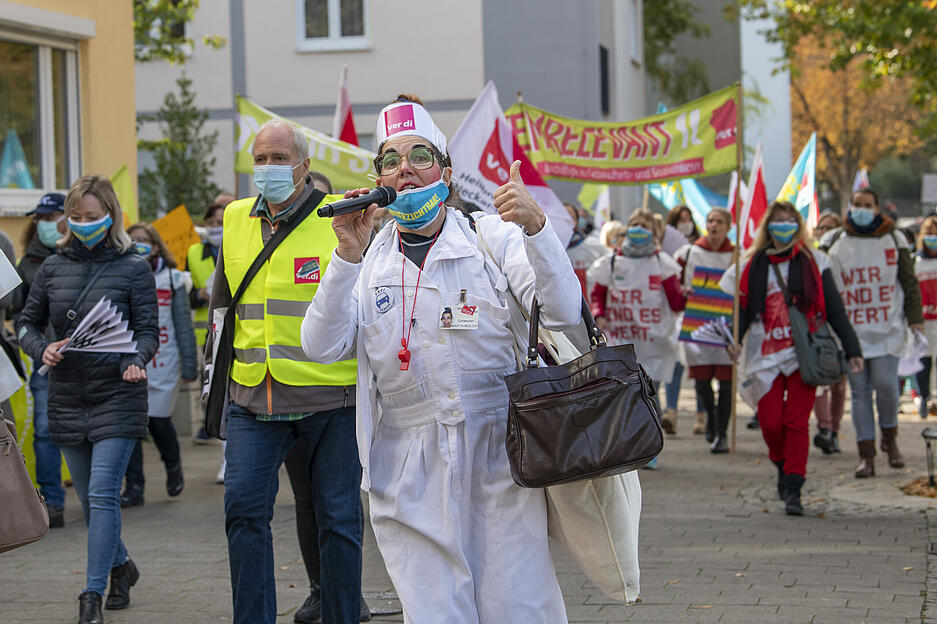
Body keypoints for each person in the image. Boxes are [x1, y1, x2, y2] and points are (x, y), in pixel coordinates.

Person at [301, 94, 581, 622]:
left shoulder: (491, 239)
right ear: (379, 178)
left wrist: (539, 231)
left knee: (517, 607)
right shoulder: (365, 259)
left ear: (447, 175)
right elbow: (319, 345)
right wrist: (344, 257)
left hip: (500, 450)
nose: (404, 168)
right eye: (390, 160)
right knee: (435, 613)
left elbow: (565, 311)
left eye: (420, 155)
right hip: (408, 465)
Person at [206, 119, 362, 624]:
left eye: (279, 158)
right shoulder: (233, 218)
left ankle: (341, 614)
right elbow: (223, 304)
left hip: (331, 399)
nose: (268, 169)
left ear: (304, 166)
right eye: (260, 159)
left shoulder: (335, 219)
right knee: (244, 514)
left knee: (338, 521)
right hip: (254, 396)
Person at [15, 175, 158, 623]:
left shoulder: (134, 266)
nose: (82, 224)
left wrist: (137, 358)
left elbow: (148, 331)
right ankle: (122, 567)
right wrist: (42, 349)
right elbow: (26, 324)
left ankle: (91, 595)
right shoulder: (52, 267)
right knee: (94, 502)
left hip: (117, 393)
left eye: (91, 218)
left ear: (111, 216)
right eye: (74, 217)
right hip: (67, 394)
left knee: (101, 495)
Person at [724, 201, 862, 515]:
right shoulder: (752, 264)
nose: (783, 226)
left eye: (789, 220)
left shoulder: (816, 261)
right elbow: (743, 311)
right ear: (767, 227)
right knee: (772, 423)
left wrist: (853, 349)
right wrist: (735, 340)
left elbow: (835, 310)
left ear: (798, 226)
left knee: (796, 422)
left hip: (804, 353)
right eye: (777, 220)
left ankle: (794, 486)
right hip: (764, 353)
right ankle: (783, 465)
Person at [285, 171, 371, 624]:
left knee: (337, 506)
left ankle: (346, 598)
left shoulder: (357, 238)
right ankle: (320, 589)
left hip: (339, 397)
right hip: (286, 392)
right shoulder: (270, 235)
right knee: (305, 500)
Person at [821, 187, 923, 477]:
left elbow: (909, 281)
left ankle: (889, 440)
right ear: (849, 208)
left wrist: (914, 319)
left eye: (867, 204)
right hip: (851, 332)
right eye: (857, 204)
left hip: (887, 328)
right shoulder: (835, 241)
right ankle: (866, 454)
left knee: (887, 387)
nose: (861, 209)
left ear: (878, 209)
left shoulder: (894, 238)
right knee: (860, 393)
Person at [119, 224, 198, 507]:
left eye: (144, 241)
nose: (139, 245)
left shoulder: (173, 278)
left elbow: (183, 326)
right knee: (133, 425)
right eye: (133, 240)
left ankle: (173, 465)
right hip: (131, 361)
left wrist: (190, 366)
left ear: (155, 245)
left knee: (159, 422)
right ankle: (135, 486)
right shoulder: (120, 275)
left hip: (165, 359)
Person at [589, 209, 683, 421]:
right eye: (635, 225)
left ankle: (651, 447)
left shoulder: (662, 263)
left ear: (654, 233)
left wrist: (691, 295)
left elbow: (676, 301)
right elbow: (598, 295)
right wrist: (599, 315)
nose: (639, 230)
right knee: (626, 394)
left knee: (648, 393)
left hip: (653, 343)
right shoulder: (610, 262)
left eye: (645, 226)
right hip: (622, 339)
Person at [10, 193, 69, 528]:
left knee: (87, 430)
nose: (46, 223)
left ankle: (100, 494)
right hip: (44, 360)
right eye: (42, 219)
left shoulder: (79, 257)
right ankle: (52, 501)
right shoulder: (28, 263)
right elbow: (19, 315)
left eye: (52, 216)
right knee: (46, 430)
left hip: (82, 357)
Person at [673, 208, 736, 452]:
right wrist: (682, 291)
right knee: (702, 380)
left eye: (719, 222)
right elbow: (672, 282)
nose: (714, 225)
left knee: (726, 382)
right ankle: (711, 416)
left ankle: (721, 431)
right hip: (697, 324)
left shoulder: (737, 255)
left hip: (727, 325)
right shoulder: (688, 253)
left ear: (728, 226)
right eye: (710, 220)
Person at [189, 193, 232, 447]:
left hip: (234, 322)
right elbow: (185, 290)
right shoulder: (195, 252)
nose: (217, 228)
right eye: (213, 222)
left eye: (222, 222)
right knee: (209, 376)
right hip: (205, 326)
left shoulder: (243, 240)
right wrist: (199, 294)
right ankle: (211, 421)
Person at [811, 211, 847, 452]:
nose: (825, 232)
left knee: (839, 384)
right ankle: (823, 428)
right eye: (822, 227)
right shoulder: (811, 259)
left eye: (831, 228)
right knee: (819, 380)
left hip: (841, 325)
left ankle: (834, 428)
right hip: (817, 326)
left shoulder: (843, 258)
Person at [915, 215, 937, 420]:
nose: (933, 237)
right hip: (924, 322)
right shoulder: (916, 262)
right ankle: (923, 396)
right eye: (929, 234)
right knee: (924, 361)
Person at [564, 201, 608, 297]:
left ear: (577, 221)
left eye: (571, 217)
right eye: (562, 216)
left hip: (589, 307)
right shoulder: (545, 250)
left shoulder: (595, 246)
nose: (567, 220)